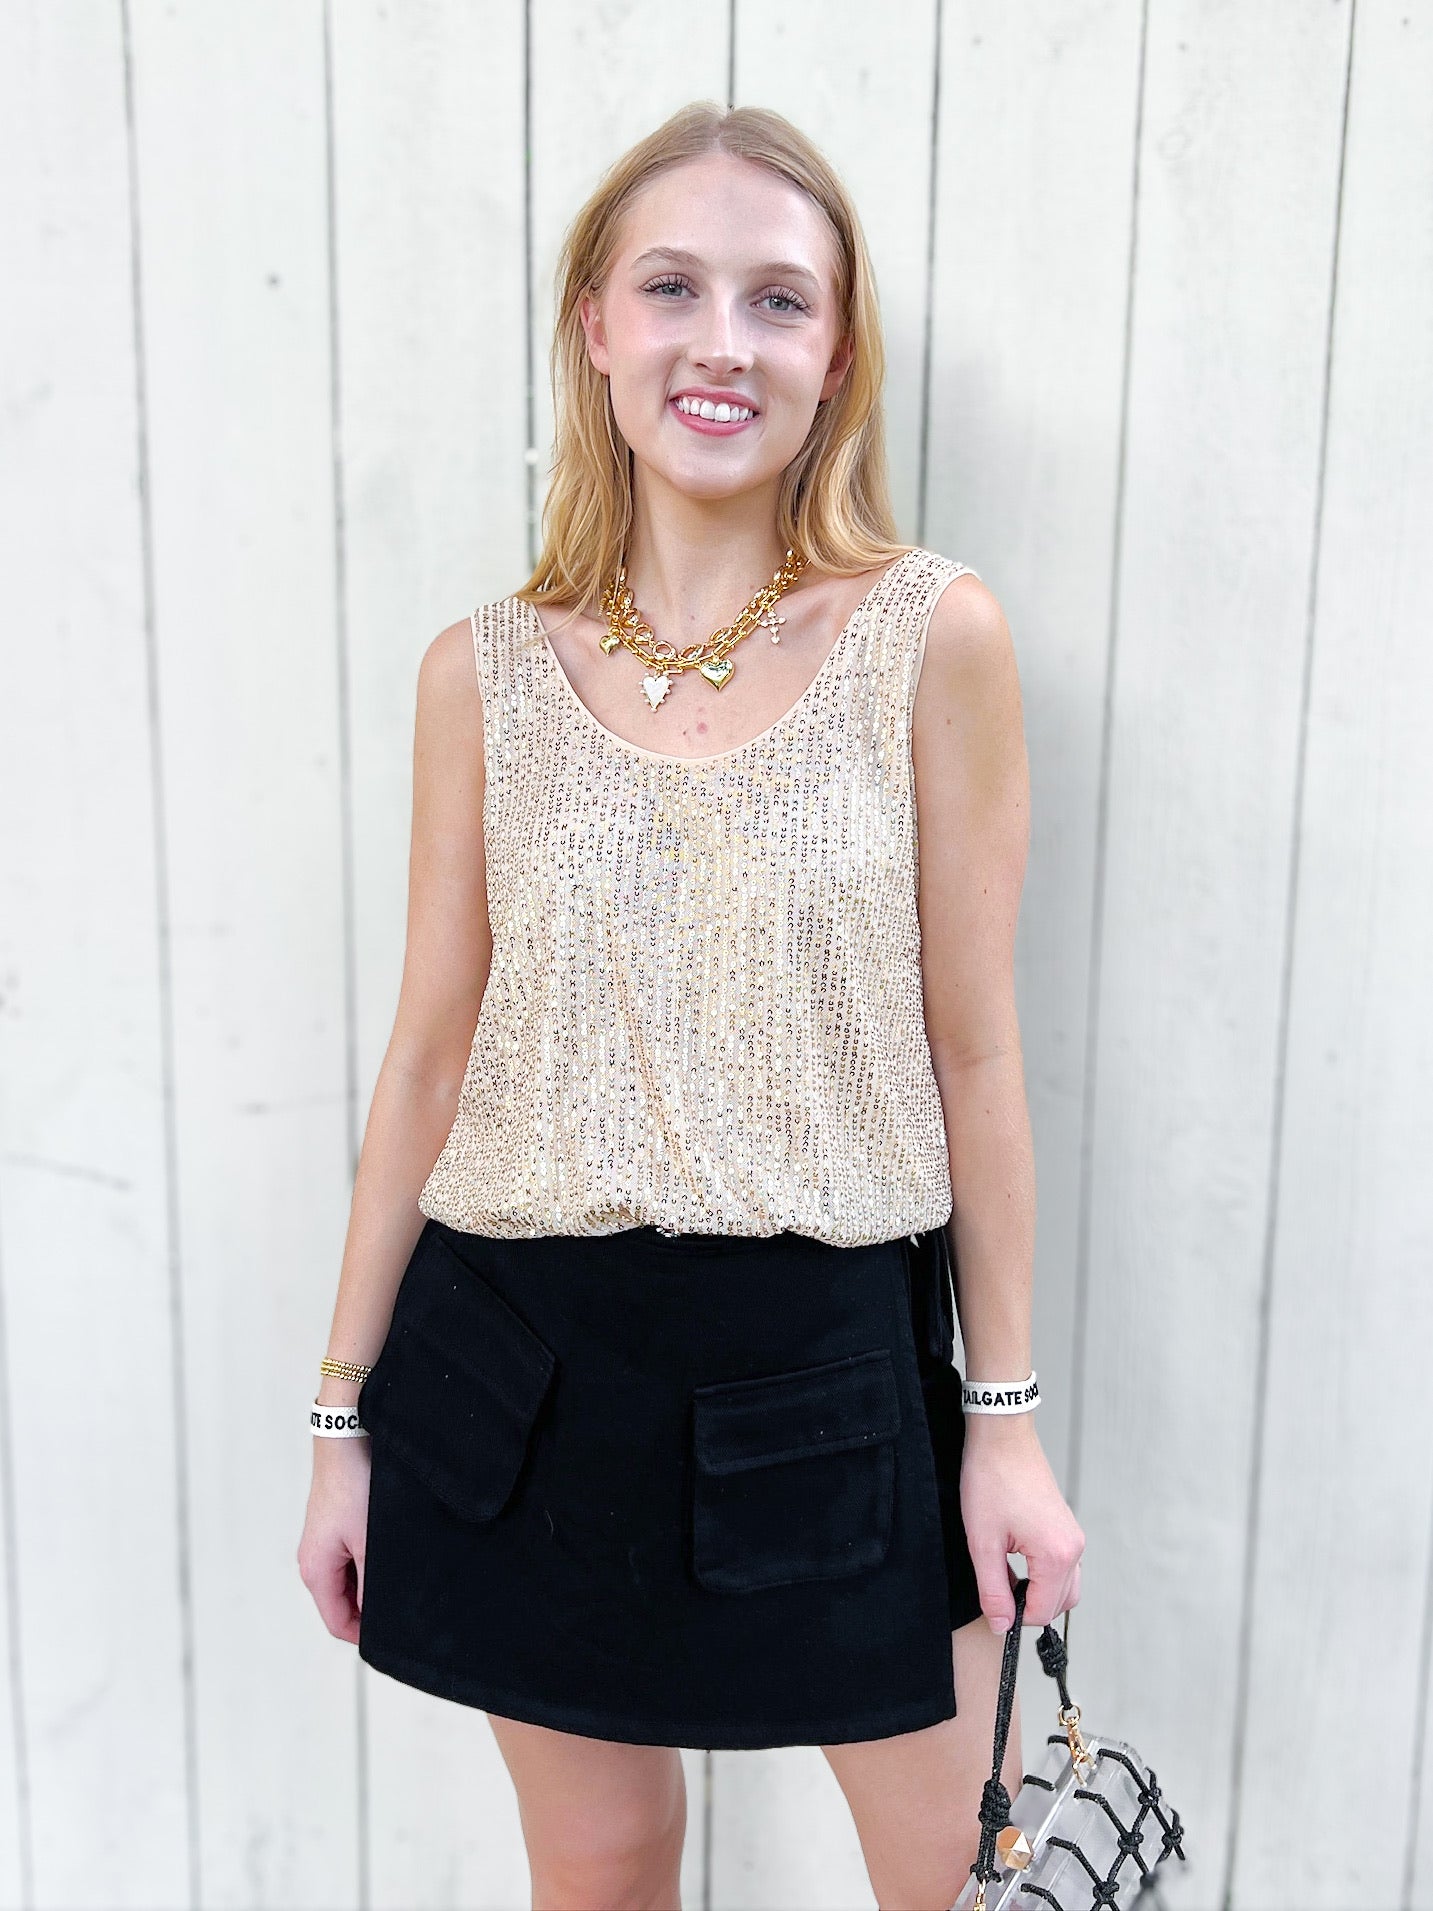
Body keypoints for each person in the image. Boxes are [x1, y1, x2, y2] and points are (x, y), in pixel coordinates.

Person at [298, 99, 1085, 1911]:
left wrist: (1004, 1420)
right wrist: (340, 1426)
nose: (721, 341)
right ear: (594, 324)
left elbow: (975, 1050)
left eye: (777, 300)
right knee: (598, 1867)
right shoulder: (482, 674)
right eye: (671, 287)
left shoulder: (928, 635)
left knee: (964, 1879)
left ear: (836, 354)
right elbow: (427, 1056)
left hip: (828, 1370)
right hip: (516, 1375)